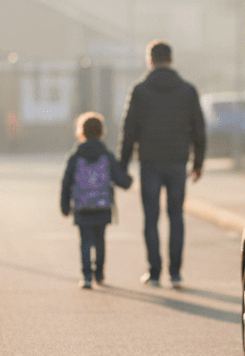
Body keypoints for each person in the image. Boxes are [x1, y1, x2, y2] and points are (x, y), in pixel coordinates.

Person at [119, 40, 206, 288]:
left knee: (151, 218)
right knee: (176, 216)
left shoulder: (139, 90)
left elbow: (128, 130)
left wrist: (121, 166)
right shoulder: (188, 90)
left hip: (150, 162)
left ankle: (155, 272)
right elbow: (198, 129)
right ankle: (176, 272)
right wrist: (198, 162)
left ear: (150, 60)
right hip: (178, 162)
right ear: (171, 59)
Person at [61, 112, 132, 289]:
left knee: (85, 241)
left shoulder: (75, 156)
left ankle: (86, 276)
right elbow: (120, 179)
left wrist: (64, 205)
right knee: (100, 240)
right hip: (102, 205)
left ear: (81, 132)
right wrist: (128, 180)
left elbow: (66, 182)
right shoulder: (106, 156)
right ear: (102, 132)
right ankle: (99, 273)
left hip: (82, 206)